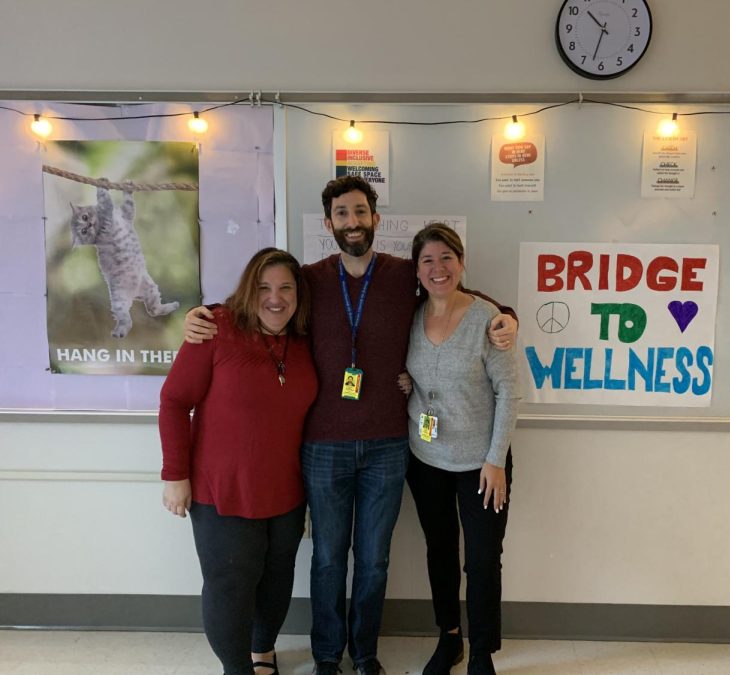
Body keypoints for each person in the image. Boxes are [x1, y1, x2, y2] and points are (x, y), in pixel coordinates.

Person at [182, 176, 517, 675]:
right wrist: (200, 313)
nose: (353, 222)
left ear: (376, 218)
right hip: (323, 446)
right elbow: (256, 302)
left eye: (361, 212)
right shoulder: (311, 279)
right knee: (327, 561)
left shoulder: (406, 273)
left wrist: (507, 315)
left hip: (388, 444)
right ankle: (325, 657)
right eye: (342, 214)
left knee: (374, 561)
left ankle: (364, 654)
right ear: (328, 223)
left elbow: (460, 294)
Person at [159, 248, 318, 675]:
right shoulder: (216, 329)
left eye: (286, 287)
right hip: (221, 491)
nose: (275, 298)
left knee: (276, 579)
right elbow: (174, 402)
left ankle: (262, 651)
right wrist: (175, 475)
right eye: (264, 287)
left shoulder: (304, 339)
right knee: (230, 585)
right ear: (248, 291)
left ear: (299, 295)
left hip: (286, 491)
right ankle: (236, 667)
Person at [405, 224, 520, 675]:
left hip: (481, 464)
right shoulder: (411, 317)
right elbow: (414, 373)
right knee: (439, 551)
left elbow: (510, 392)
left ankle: (482, 652)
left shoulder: (488, 320)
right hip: (426, 460)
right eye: (428, 261)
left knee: (483, 559)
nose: (438, 269)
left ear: (462, 262)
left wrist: (495, 461)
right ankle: (449, 637)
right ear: (417, 269)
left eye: (446, 258)